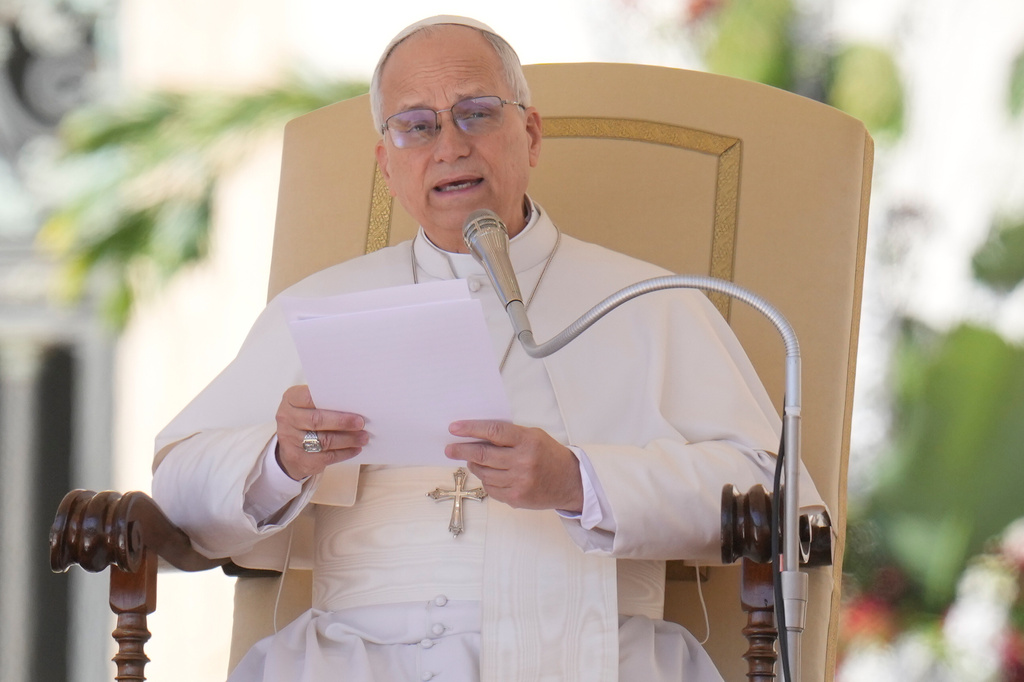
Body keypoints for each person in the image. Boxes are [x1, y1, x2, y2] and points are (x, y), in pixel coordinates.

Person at [152, 15, 824, 682]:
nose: (449, 146)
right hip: (351, 659)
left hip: (586, 656)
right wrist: (280, 460)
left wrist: (580, 481)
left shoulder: (651, 302)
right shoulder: (317, 307)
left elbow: (782, 501)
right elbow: (176, 487)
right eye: (417, 125)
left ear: (530, 135)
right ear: (386, 165)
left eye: (476, 113)